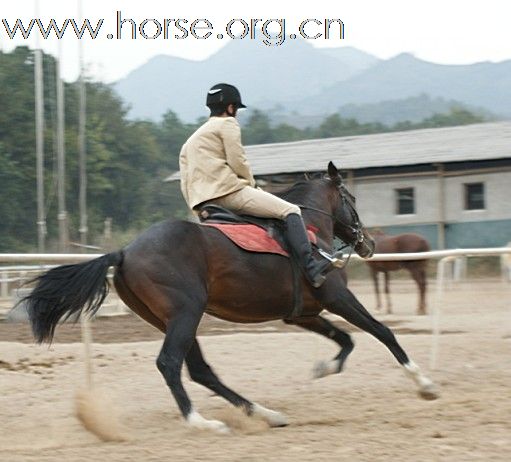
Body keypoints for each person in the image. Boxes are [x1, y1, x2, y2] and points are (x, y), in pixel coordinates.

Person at [179, 83, 339, 288]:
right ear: (230, 108)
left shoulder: (190, 141)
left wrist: (196, 207)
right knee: (291, 210)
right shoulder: (227, 124)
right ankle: (311, 266)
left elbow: (185, 181)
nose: (235, 113)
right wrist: (251, 186)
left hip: (202, 204)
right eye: (235, 109)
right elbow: (238, 161)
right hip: (230, 194)